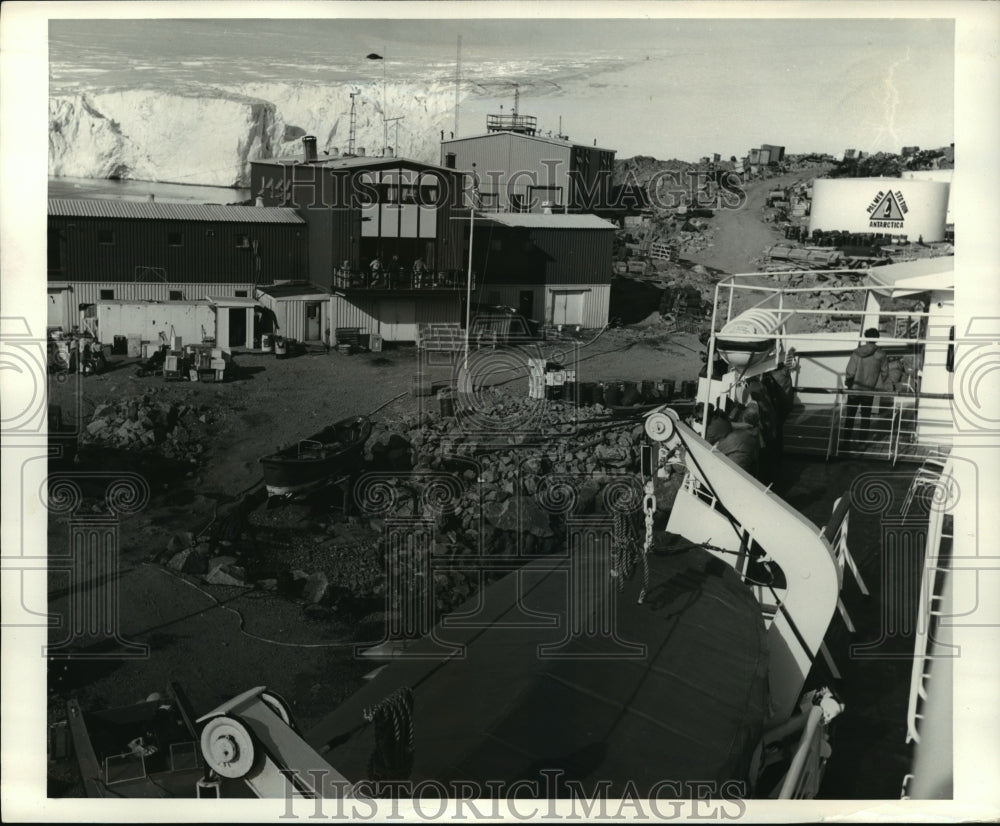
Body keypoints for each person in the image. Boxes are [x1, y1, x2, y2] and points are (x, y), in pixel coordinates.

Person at [843, 328, 888, 447]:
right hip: (869, 391)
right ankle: (861, 442)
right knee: (866, 416)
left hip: (854, 390)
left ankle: (845, 441)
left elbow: (850, 372)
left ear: (866, 338)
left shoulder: (857, 352)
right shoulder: (881, 354)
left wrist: (848, 383)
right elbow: (885, 373)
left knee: (850, 416)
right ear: (877, 338)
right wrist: (876, 382)